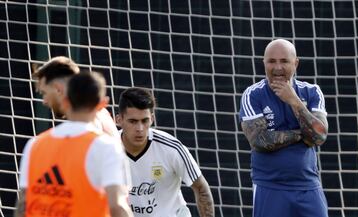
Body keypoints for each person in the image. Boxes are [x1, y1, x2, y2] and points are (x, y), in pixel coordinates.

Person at [14, 72, 133, 217]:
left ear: (64, 101)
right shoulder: (106, 146)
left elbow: (22, 206)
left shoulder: (34, 145)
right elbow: (117, 207)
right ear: (102, 104)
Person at [239, 39, 329, 217]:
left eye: (284, 61)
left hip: (308, 186)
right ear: (264, 63)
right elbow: (260, 141)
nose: (277, 67)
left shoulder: (312, 92)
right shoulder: (252, 94)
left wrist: (294, 101)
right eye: (272, 61)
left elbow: (319, 137)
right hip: (270, 187)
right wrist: (301, 134)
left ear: (295, 63)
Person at [115, 87, 214, 217]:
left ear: (152, 119)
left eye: (144, 121)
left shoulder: (171, 148)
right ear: (118, 120)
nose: (139, 128)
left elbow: (201, 188)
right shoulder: (107, 149)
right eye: (132, 121)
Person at [32, 56, 119, 137]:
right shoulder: (96, 115)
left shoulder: (89, 123)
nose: (44, 101)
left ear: (58, 89)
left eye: (44, 93)